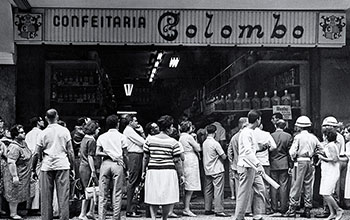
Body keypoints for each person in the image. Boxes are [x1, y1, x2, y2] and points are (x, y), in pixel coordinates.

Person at [33, 109, 75, 220]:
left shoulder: (43, 133)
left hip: (47, 165)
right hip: (62, 164)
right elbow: (70, 151)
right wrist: (73, 167)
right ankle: (64, 218)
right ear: (57, 116)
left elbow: (37, 153)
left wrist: (33, 169)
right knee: (63, 197)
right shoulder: (65, 131)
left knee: (46, 198)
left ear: (46, 118)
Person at [142, 115, 184, 220]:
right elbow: (177, 161)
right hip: (168, 171)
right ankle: (164, 218)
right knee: (168, 196)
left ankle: (153, 218)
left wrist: (143, 171)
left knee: (153, 195)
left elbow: (145, 158)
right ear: (168, 127)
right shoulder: (174, 143)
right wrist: (181, 175)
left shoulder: (149, 140)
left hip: (153, 171)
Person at [284, 116, 321, 218]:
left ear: (299, 127)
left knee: (296, 185)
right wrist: (314, 153)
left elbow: (292, 152)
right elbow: (321, 149)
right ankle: (307, 208)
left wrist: (293, 157)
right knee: (308, 185)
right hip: (310, 161)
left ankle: (292, 209)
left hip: (299, 162)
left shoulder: (298, 137)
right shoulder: (313, 137)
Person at [235, 110, 266, 220]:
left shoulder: (251, 132)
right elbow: (248, 151)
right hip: (246, 166)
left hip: (252, 166)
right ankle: (239, 217)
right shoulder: (246, 132)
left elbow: (252, 149)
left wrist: (261, 147)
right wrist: (258, 164)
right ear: (258, 120)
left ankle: (257, 214)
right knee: (244, 193)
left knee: (260, 188)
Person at [96, 114, 128, 220]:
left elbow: (97, 152)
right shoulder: (122, 137)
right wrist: (126, 167)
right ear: (117, 124)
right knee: (117, 192)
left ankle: (102, 217)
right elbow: (125, 154)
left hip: (105, 164)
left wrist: (108, 154)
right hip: (118, 164)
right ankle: (115, 217)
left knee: (102, 193)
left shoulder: (102, 136)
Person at [3, 125, 31, 220]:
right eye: (21, 132)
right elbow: (11, 162)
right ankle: (13, 213)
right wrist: (15, 176)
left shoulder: (23, 143)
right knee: (14, 193)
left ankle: (18, 210)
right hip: (16, 173)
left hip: (23, 173)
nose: (24, 133)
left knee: (19, 193)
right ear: (15, 135)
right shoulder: (14, 147)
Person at [202, 124, 230, 217]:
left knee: (208, 190)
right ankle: (219, 210)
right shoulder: (215, 143)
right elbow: (224, 156)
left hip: (207, 169)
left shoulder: (204, 143)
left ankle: (208, 208)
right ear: (215, 132)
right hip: (217, 169)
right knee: (218, 190)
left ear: (206, 132)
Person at [318, 128, 343, 220]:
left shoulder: (330, 146)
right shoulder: (330, 145)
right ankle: (332, 213)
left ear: (326, 136)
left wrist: (322, 158)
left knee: (326, 192)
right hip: (327, 170)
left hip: (331, 171)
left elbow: (335, 159)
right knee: (325, 193)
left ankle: (338, 209)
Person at [123, 115, 146, 218]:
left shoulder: (131, 131)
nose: (137, 123)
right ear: (130, 122)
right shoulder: (129, 131)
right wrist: (141, 132)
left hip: (136, 155)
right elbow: (143, 142)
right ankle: (130, 209)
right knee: (133, 182)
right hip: (134, 156)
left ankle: (134, 208)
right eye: (135, 121)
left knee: (136, 182)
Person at [270, 119, 293, 214]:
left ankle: (274, 207)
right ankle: (284, 207)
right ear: (285, 126)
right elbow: (290, 152)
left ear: (276, 126)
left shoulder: (271, 136)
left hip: (273, 162)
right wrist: (290, 165)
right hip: (284, 163)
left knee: (273, 185)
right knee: (283, 185)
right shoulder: (288, 136)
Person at [78, 120, 100, 220]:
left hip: (82, 165)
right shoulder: (92, 141)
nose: (99, 130)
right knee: (89, 190)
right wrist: (93, 171)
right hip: (88, 167)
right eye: (97, 128)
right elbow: (90, 156)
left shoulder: (84, 139)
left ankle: (90, 211)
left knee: (89, 189)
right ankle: (83, 213)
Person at [179, 120, 201, 217]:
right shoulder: (189, 137)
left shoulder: (181, 137)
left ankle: (186, 206)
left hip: (185, 159)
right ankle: (186, 208)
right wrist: (196, 140)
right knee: (190, 185)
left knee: (187, 185)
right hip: (190, 159)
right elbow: (198, 148)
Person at [254, 124, 277, 215]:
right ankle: (266, 208)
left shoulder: (251, 133)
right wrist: (268, 149)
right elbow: (274, 146)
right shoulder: (266, 134)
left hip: (253, 162)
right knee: (265, 186)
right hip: (264, 162)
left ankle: (255, 208)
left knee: (254, 186)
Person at [227, 117, 248, 208]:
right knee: (247, 189)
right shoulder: (247, 136)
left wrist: (232, 163)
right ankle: (247, 209)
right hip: (246, 165)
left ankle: (239, 208)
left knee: (238, 188)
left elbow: (229, 152)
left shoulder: (234, 137)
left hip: (236, 166)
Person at [25, 116, 44, 213]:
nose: (43, 122)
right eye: (41, 120)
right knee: (38, 182)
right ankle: (36, 206)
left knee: (31, 182)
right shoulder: (41, 133)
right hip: (37, 159)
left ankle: (29, 205)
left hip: (29, 158)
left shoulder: (28, 134)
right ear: (37, 122)